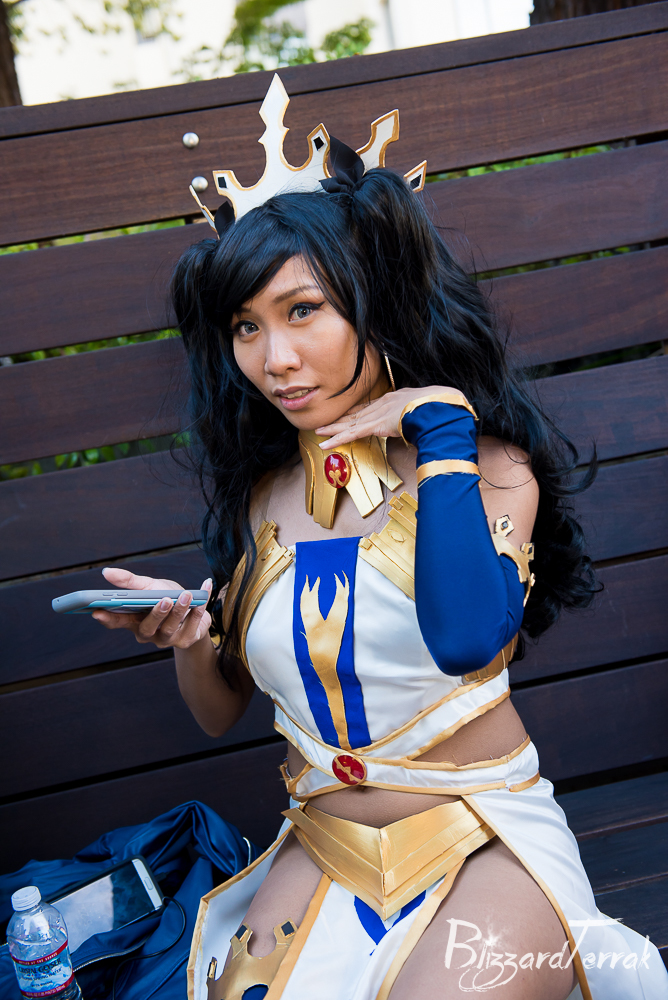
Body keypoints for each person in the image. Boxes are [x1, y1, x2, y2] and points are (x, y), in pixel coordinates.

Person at [91, 77, 667, 1000]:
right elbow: (219, 710)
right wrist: (189, 636)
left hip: (485, 838)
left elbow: (469, 639)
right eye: (246, 327)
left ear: (377, 303)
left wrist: (441, 434)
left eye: (303, 310)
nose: (274, 360)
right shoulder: (262, 497)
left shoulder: (488, 468)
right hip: (324, 842)